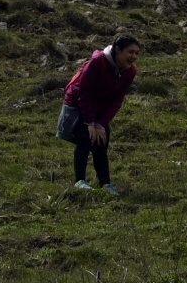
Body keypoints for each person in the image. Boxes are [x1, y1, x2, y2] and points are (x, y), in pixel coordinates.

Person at [57, 34, 140, 195]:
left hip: (100, 107)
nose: (134, 57)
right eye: (130, 52)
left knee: (102, 141)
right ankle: (79, 181)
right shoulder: (98, 62)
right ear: (118, 50)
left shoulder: (131, 71)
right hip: (78, 103)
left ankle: (106, 184)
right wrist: (89, 122)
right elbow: (84, 91)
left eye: (137, 53)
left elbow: (117, 99)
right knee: (85, 138)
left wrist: (100, 124)